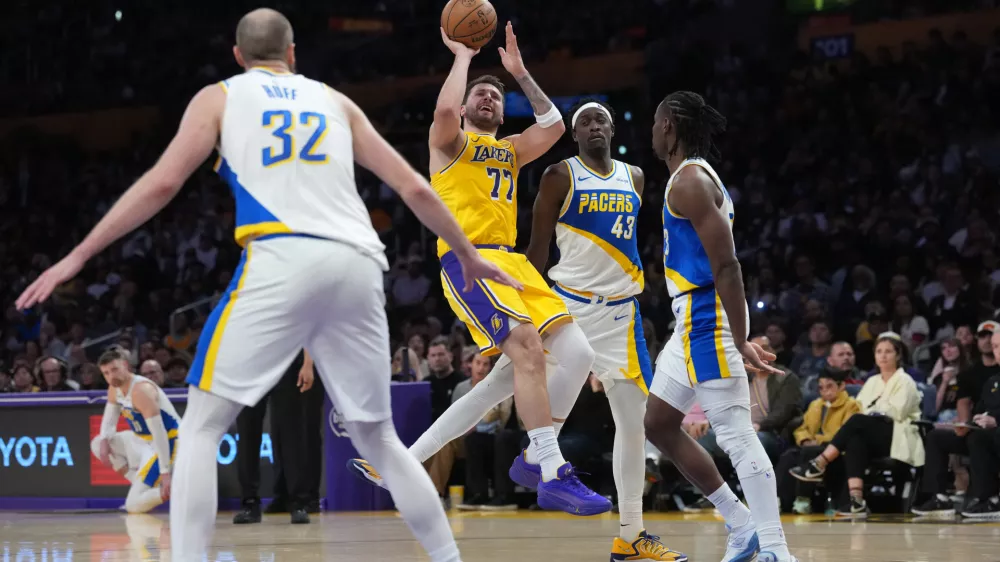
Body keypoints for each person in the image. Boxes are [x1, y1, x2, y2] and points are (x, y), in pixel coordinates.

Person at [16, 9, 522, 562]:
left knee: (203, 429)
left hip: (282, 253)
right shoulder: (335, 100)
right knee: (379, 439)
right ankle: (449, 558)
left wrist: (79, 254)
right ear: (294, 54)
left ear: (238, 56)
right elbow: (413, 188)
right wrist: (469, 255)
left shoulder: (220, 96)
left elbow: (163, 183)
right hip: (357, 263)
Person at [350, 98, 681, 559]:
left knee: (632, 423)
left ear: (613, 128)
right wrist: (526, 301)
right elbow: (538, 245)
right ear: (575, 132)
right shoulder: (558, 174)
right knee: (496, 386)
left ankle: (630, 535)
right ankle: (519, 459)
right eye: (584, 120)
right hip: (563, 300)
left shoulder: (635, 177)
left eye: (601, 118)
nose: (593, 126)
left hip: (620, 312)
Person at [351, 25, 608, 516]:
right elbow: (445, 112)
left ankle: (530, 456)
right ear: (467, 107)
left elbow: (554, 127)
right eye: (480, 95)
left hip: (514, 265)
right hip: (471, 262)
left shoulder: (509, 149)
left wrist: (520, 74)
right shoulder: (448, 143)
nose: (488, 98)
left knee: (576, 353)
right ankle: (554, 471)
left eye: (495, 95)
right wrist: (463, 58)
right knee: (529, 351)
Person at [642, 91, 797, 562]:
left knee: (734, 434)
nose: (651, 130)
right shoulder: (692, 179)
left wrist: (738, 337)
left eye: (654, 121)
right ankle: (741, 523)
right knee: (659, 423)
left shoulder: (689, 181)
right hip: (688, 322)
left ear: (668, 126)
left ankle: (775, 549)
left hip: (708, 322)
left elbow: (728, 267)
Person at [789, 332, 924, 518]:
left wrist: (875, 410)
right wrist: (876, 410)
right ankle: (856, 502)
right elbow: (860, 408)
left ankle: (819, 463)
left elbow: (897, 412)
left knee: (858, 422)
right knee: (855, 438)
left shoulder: (905, 381)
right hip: (872, 434)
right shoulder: (872, 381)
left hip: (897, 434)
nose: (883, 356)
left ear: (898, 355)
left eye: (888, 352)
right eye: (879, 351)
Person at [89, 347, 180, 514]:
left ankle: (176, 491)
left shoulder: (141, 390)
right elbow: (109, 421)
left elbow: (160, 434)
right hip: (141, 440)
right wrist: (104, 442)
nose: (111, 376)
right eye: (106, 373)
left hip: (167, 442)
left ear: (125, 365)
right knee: (97, 443)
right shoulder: (114, 388)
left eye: (114, 370)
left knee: (132, 506)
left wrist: (165, 473)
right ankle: (140, 488)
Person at [779, 368, 861, 514]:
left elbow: (844, 434)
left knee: (809, 452)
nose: (825, 391)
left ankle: (803, 499)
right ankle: (781, 500)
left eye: (829, 386)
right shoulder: (815, 405)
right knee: (789, 456)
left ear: (841, 386)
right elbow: (802, 428)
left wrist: (817, 440)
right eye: (821, 387)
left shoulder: (852, 405)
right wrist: (804, 439)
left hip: (834, 451)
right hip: (811, 446)